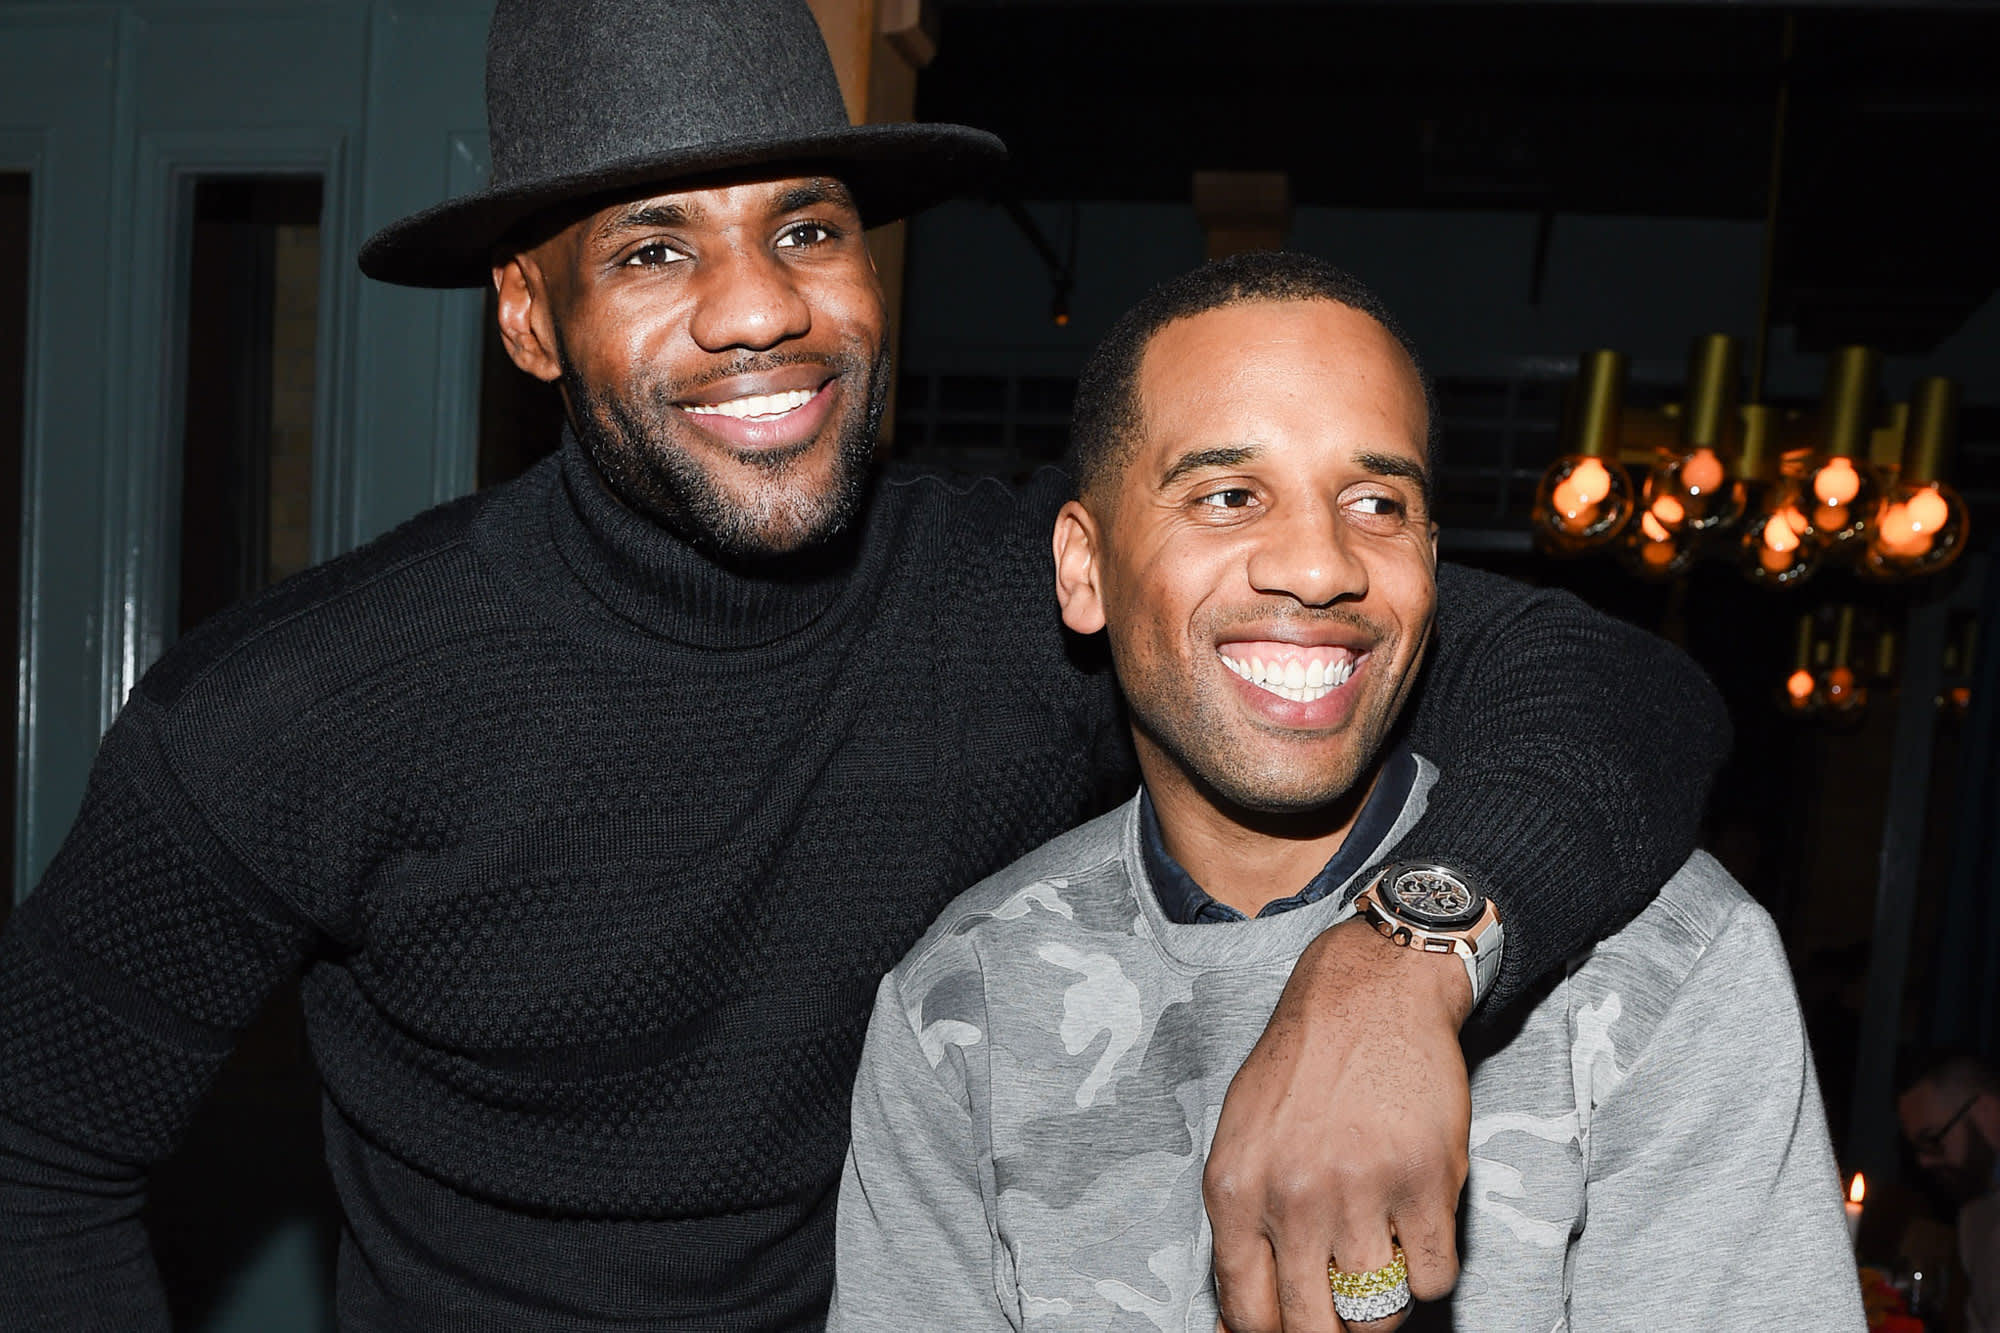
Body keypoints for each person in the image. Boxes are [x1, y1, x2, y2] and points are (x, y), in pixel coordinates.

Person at [0, 2, 1728, 1329]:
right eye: (655, 246)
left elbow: (1616, 685)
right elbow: (36, 1157)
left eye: (808, 228)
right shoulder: (305, 711)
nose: (761, 307)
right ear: (531, 319)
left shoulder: (1017, 601)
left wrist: (1407, 957)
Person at [830, 252, 1862, 1331]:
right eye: (1229, 496)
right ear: (1083, 569)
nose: (1319, 566)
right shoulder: (961, 1004)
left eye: (1375, 501)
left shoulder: (1665, 963)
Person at [1899, 1053, 2000, 1330]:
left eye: (1932, 1139)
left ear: (1986, 1112)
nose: (1924, 1161)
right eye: (1917, 1149)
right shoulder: (1975, 1209)